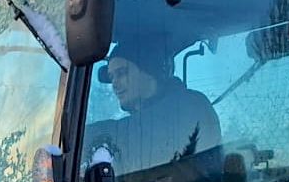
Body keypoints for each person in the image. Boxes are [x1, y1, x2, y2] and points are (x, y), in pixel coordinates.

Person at [93, 39, 221, 174]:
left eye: (122, 73)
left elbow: (127, 133)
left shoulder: (188, 105)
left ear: (148, 71)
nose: (114, 84)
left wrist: (79, 136)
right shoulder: (146, 117)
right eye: (111, 77)